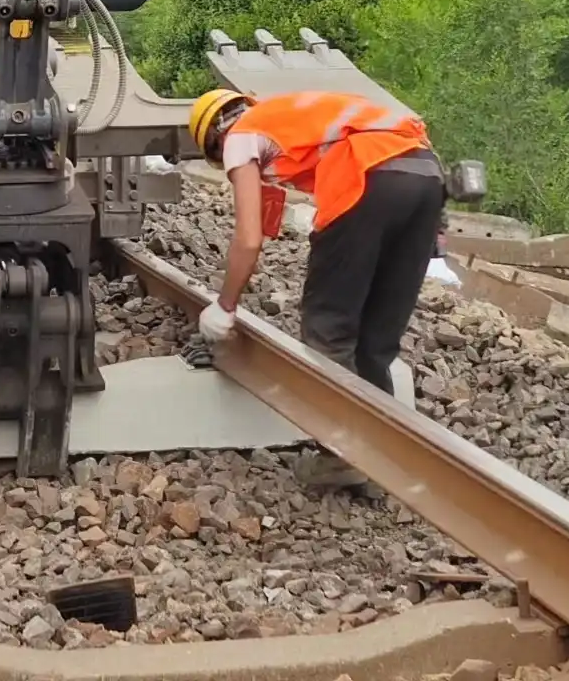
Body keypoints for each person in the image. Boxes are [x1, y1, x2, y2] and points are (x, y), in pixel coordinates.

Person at [188, 88, 446, 487]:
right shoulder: (286, 116)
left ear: (215, 141)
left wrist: (224, 307)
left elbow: (249, 239)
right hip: (428, 175)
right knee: (377, 335)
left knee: (329, 328)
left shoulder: (240, 136)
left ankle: (342, 456)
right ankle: (380, 459)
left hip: (366, 176)